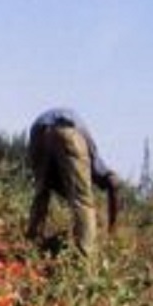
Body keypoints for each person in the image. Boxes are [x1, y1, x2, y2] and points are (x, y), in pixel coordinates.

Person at [25, 108, 119, 257]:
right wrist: (112, 229)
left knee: (41, 192)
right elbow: (113, 184)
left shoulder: (61, 172)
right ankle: (86, 257)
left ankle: (31, 246)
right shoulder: (95, 161)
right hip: (69, 130)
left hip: (38, 131)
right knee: (83, 201)